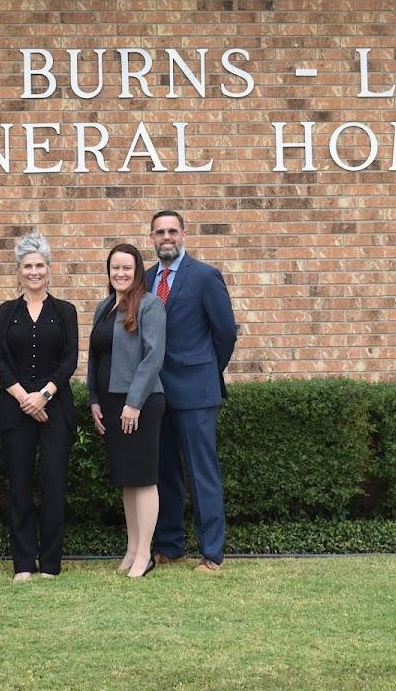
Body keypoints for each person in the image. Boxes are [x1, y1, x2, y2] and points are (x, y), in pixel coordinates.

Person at [147, 211, 238, 574]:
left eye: (172, 231)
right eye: (159, 232)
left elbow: (226, 332)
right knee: (164, 472)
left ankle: (212, 553)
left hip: (196, 391)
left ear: (183, 234)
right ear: (152, 238)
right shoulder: (146, 278)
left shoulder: (204, 277)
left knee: (202, 474)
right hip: (157, 391)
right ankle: (170, 546)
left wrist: (206, 369)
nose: (166, 237)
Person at [0, 232, 79, 582]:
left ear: (49, 269)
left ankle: (51, 564)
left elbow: (70, 358)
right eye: (27, 265)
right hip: (15, 408)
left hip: (54, 406)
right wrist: (23, 397)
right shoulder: (5, 312)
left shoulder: (65, 311)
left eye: (40, 265)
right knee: (20, 487)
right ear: (18, 271)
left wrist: (44, 395)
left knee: (55, 485)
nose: (34, 271)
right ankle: (23, 563)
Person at [86, 244, 167, 579]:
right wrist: (93, 398)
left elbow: (153, 357)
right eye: (115, 268)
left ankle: (146, 553)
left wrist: (133, 402)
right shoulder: (105, 307)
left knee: (144, 477)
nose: (120, 274)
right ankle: (132, 548)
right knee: (127, 479)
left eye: (127, 269)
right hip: (109, 401)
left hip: (141, 403)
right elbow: (95, 356)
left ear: (137, 272)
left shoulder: (150, 305)